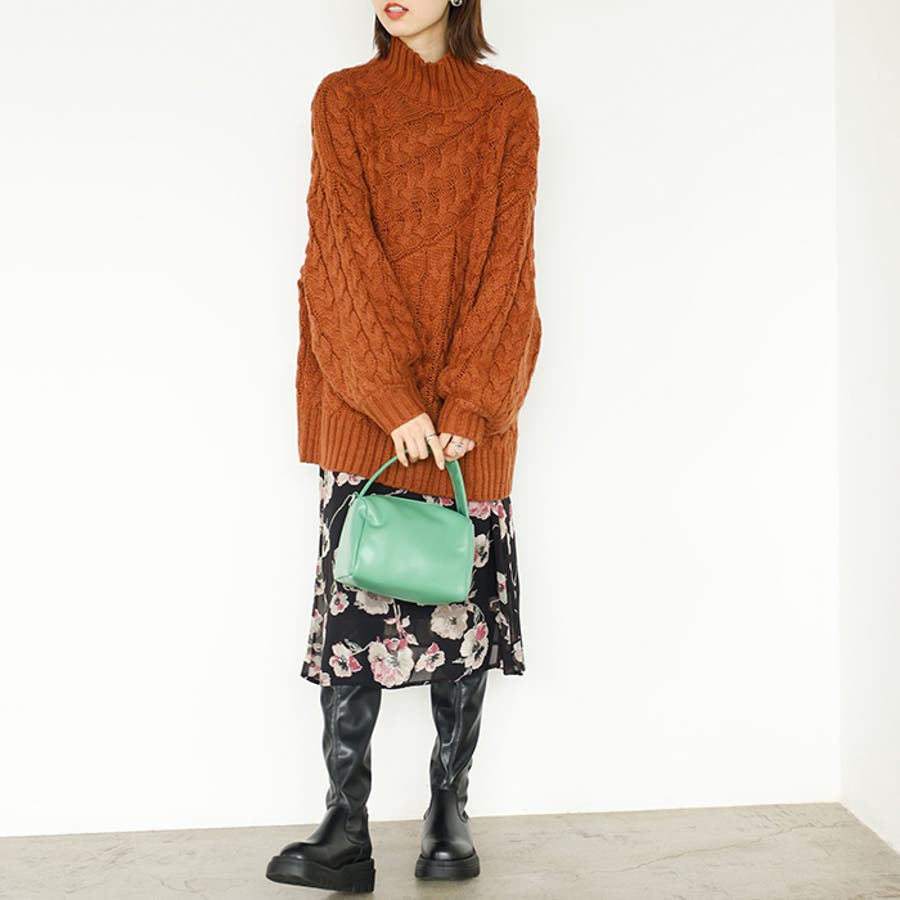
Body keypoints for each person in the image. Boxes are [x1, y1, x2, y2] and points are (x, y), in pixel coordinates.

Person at [266, 0, 542, 892]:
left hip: (465, 422)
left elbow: (509, 264)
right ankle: (345, 828)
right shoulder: (343, 99)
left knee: (458, 608)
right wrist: (390, 397)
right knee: (355, 617)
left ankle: (447, 815)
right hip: (366, 413)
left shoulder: (506, 105)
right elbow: (336, 257)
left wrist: (472, 398)